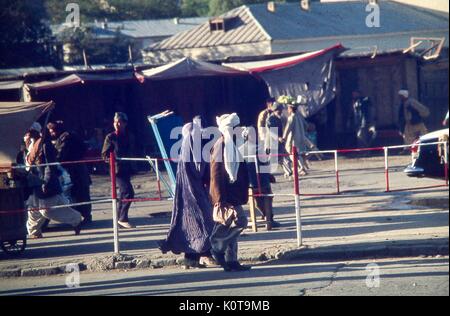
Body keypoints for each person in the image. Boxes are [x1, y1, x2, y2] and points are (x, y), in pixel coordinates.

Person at [158, 117, 216, 269]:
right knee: (202, 222)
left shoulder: (189, 148)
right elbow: (199, 169)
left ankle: (196, 256)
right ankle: (196, 256)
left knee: (196, 225)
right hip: (192, 195)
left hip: (194, 193)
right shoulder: (189, 150)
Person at [209, 113, 251, 272]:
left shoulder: (232, 143)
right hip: (226, 195)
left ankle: (231, 261)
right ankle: (215, 245)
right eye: (237, 127)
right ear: (230, 129)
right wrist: (220, 198)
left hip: (234, 193)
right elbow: (216, 174)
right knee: (240, 221)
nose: (239, 130)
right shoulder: (221, 145)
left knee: (230, 224)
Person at [25, 126, 82, 239]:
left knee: (46, 210)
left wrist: (46, 182)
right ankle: (34, 232)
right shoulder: (30, 143)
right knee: (33, 208)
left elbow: (50, 166)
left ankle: (76, 220)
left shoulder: (45, 145)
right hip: (34, 181)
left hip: (45, 181)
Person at [47, 121, 93, 224]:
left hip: (75, 170)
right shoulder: (68, 136)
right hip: (78, 168)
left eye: (52, 131)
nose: (51, 134)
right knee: (80, 193)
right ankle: (84, 216)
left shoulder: (66, 138)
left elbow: (62, 154)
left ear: (57, 130)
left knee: (80, 193)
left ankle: (84, 216)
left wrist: (55, 161)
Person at [101, 112, 136, 229]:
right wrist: (113, 160)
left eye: (120, 122)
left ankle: (119, 219)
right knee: (128, 192)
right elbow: (104, 155)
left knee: (123, 193)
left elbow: (132, 150)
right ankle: (122, 218)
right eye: (115, 122)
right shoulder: (110, 137)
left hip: (127, 168)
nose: (117, 124)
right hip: (117, 170)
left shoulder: (129, 136)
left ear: (125, 124)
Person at [240, 127, 279, 228]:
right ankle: (269, 218)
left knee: (257, 198)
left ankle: (265, 215)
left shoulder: (239, 150)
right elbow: (265, 167)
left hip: (247, 185)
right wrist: (270, 176)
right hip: (261, 183)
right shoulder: (259, 149)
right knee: (268, 195)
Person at [265, 102, 292, 178]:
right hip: (272, 143)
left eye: (281, 110)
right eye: (278, 111)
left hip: (280, 143)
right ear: (274, 110)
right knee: (272, 160)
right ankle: (267, 175)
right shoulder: (270, 119)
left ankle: (289, 172)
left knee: (285, 157)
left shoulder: (279, 118)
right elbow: (270, 131)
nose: (280, 112)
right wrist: (278, 138)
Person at [283, 101, 309, 176]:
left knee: (292, 154)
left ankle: (301, 168)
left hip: (294, 139)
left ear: (291, 109)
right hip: (301, 138)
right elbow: (306, 125)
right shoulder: (299, 116)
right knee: (298, 154)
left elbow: (288, 128)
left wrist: (284, 137)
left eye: (288, 108)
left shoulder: (291, 117)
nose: (287, 110)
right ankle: (302, 168)